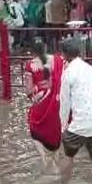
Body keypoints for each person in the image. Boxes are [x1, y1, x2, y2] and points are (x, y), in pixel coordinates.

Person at [59, 37, 92, 184]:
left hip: (80, 124)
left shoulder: (68, 73)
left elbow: (64, 103)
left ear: (65, 55)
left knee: (68, 157)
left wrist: (63, 126)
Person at [25, 38, 65, 168]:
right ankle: (56, 158)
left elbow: (28, 90)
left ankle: (44, 158)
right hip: (57, 100)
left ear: (33, 51)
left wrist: (34, 95)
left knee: (33, 127)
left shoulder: (30, 65)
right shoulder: (58, 60)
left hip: (41, 100)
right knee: (58, 128)